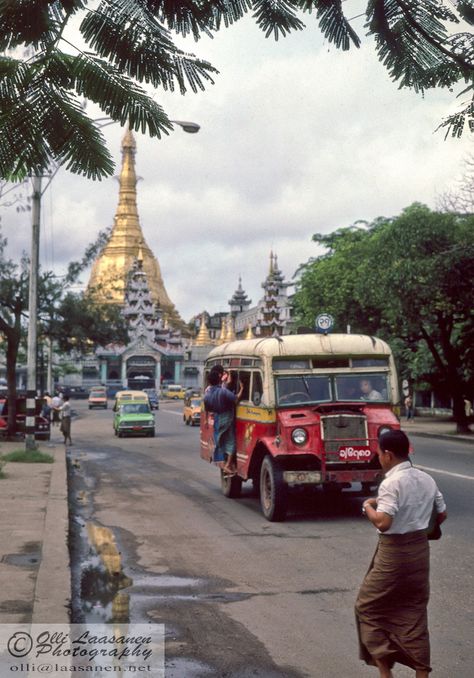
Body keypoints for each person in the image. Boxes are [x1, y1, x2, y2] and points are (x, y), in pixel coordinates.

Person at [355, 430, 447, 678]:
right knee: (414, 613)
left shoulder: (391, 483)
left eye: (379, 453)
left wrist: (367, 506)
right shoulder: (426, 479)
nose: (378, 457)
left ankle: (385, 673)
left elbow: (383, 523)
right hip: (419, 552)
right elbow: (441, 514)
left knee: (368, 607)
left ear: (388, 454)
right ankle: (421, 673)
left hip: (393, 554)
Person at [204, 368, 243, 476]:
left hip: (218, 417)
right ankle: (228, 464)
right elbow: (235, 399)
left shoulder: (207, 394)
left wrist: (207, 420)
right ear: (219, 380)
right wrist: (242, 389)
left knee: (222, 440)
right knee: (231, 442)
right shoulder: (223, 391)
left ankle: (225, 462)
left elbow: (207, 408)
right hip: (227, 417)